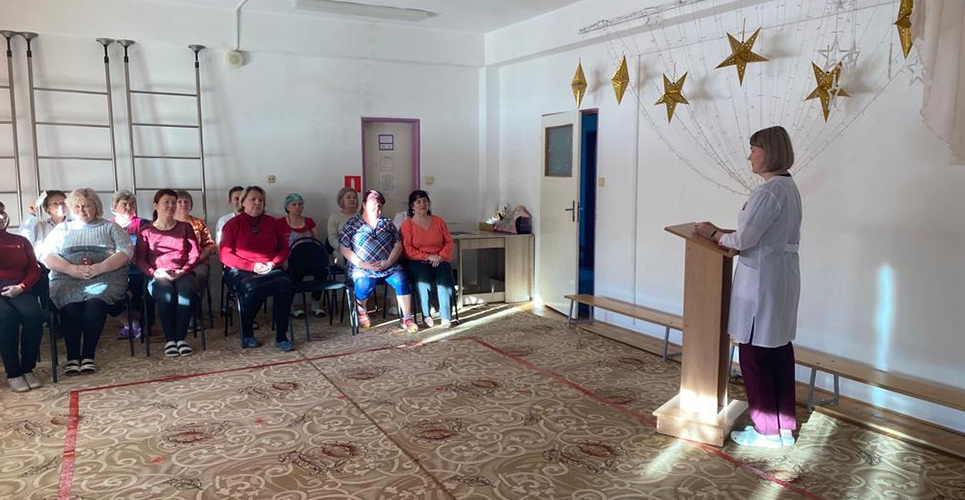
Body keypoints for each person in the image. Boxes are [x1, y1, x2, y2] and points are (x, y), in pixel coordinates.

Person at [696, 125, 802, 449]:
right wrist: (725, 234)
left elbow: (744, 240)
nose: (750, 157)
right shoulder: (788, 188)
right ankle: (783, 427)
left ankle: (766, 430)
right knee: (778, 352)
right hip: (779, 278)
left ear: (769, 152)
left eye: (754, 150)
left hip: (762, 283)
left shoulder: (768, 192)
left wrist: (711, 233)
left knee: (754, 356)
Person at [41, 188, 134, 376]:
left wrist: (100, 268)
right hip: (67, 277)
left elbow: (126, 252)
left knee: (95, 304)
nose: (81, 210)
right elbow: (47, 255)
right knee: (70, 306)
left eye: (86, 206)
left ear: (96, 206)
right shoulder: (62, 229)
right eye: (77, 206)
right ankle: (73, 357)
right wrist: (70, 268)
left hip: (106, 275)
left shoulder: (111, 227)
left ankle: (88, 356)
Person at [219, 186, 295, 351]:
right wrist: (252, 266)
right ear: (243, 203)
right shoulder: (232, 224)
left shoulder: (272, 222)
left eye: (260, 200)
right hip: (240, 270)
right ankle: (247, 333)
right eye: (253, 199)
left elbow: (284, 249)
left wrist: (272, 263)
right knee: (254, 287)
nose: (257, 202)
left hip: (269, 268)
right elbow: (225, 255)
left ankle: (281, 336)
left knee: (285, 284)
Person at [339, 189, 418, 333]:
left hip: (388, 266)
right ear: (364, 205)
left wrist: (389, 261)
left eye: (380, 206)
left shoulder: (387, 223)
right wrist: (362, 264)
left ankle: (406, 317)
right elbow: (344, 248)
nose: (378, 208)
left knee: (402, 280)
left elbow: (398, 244)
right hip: (362, 267)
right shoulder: (352, 224)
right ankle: (361, 310)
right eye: (374, 205)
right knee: (365, 284)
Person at [137, 190, 201, 357]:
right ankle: (170, 340)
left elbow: (194, 254)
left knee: (186, 292)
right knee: (166, 294)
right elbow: (140, 260)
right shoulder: (146, 231)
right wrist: (155, 272)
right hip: (157, 275)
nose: (171, 206)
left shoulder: (185, 227)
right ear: (156, 205)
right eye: (166, 202)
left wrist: (183, 270)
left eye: (174, 202)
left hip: (182, 273)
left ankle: (180, 339)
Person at [0, 201, 44, 392]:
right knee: (6, 318)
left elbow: (34, 269)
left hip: (19, 287)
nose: (1, 217)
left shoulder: (20, 240)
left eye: (2, 212)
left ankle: (28, 369)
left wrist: (21, 287)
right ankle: (13, 373)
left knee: (34, 314)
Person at [400, 190, 455, 329]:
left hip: (439, 258)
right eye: (418, 202)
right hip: (417, 260)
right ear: (412, 206)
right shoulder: (407, 224)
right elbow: (407, 249)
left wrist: (441, 256)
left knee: (445, 276)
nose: (422, 204)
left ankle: (445, 316)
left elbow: (449, 242)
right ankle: (426, 315)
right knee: (423, 278)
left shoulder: (438, 221)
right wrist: (427, 256)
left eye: (425, 201)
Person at [280, 193, 327, 318]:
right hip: (289, 260)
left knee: (322, 272)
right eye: (294, 204)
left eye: (300, 204)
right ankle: (291, 305)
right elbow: (277, 244)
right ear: (287, 207)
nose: (297, 207)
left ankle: (315, 303)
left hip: (309, 258)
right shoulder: (280, 223)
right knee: (295, 274)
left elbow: (317, 242)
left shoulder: (309, 221)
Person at [109, 190, 148, 339]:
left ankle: (135, 322)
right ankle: (129, 322)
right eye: (124, 204)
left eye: (132, 204)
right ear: (114, 208)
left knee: (140, 286)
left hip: (137, 268)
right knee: (106, 293)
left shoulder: (143, 224)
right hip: (113, 269)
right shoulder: (107, 225)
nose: (129, 207)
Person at [20, 190, 69, 307]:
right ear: (47, 208)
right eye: (55, 204)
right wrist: (31, 215)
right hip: (46, 269)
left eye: (63, 203)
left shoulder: (75, 224)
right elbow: (24, 237)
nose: (60, 206)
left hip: (69, 267)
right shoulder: (41, 226)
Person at [174, 190, 215, 288]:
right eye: (179, 202)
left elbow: (210, 246)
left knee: (199, 276)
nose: (183, 204)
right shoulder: (168, 223)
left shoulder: (199, 223)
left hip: (198, 263)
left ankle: (195, 298)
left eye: (186, 201)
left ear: (191, 205)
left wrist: (196, 260)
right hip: (173, 263)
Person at [327, 187, 358, 266]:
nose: (352, 199)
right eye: (348, 197)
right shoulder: (334, 217)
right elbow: (332, 238)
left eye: (354, 197)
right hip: (342, 250)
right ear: (341, 200)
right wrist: (343, 249)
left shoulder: (362, 216)